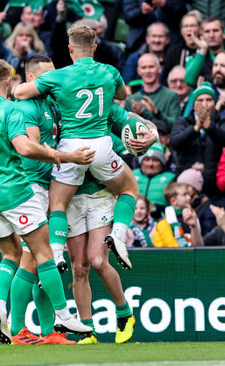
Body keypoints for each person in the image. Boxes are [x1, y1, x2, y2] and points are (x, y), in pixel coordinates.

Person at [0, 57, 94, 345]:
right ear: (10, 81)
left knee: (10, 255)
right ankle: (62, 314)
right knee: (44, 254)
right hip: (18, 191)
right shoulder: (11, 109)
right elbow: (24, 148)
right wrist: (63, 156)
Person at [14, 24, 159, 271]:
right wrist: (151, 133)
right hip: (101, 145)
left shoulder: (58, 76)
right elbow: (122, 95)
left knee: (57, 205)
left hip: (71, 148)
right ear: (94, 47)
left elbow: (19, 92)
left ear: (70, 49)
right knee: (130, 189)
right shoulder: (110, 71)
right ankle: (119, 234)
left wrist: (43, 85)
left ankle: (57, 254)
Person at [66, 179, 136, 344]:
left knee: (97, 260)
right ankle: (87, 330)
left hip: (99, 194)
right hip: (70, 197)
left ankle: (125, 314)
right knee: (78, 268)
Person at [171, 82, 225, 201]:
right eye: (200, 100)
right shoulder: (183, 122)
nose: (204, 104)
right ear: (194, 103)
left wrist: (209, 127)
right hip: (187, 190)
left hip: (216, 191)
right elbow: (175, 143)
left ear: (215, 103)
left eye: (209, 100)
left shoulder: (224, 121)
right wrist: (195, 128)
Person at [124, 53, 181, 130]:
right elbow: (125, 129)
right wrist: (136, 116)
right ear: (138, 71)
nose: (147, 71)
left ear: (159, 69)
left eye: (151, 67)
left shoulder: (172, 96)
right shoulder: (131, 101)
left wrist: (157, 113)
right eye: (144, 68)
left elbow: (176, 125)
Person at [133, 142, 176, 213]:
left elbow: (178, 207)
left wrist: (162, 209)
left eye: (155, 160)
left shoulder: (170, 179)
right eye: (147, 159)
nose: (150, 164)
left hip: (160, 220)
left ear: (162, 162)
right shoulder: (132, 175)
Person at [161, 10, 202, 85]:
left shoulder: (206, 51)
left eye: (192, 26)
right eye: (185, 26)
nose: (189, 29)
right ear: (181, 31)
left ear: (200, 29)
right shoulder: (173, 52)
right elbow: (165, 79)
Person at [152, 182, 193, 247]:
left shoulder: (193, 216)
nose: (189, 197)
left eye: (188, 194)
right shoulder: (164, 221)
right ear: (173, 201)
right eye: (185, 195)